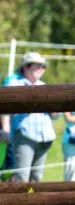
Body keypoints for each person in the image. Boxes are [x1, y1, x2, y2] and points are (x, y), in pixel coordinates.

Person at [4, 52, 58, 182]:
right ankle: (19, 202)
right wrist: (5, 129)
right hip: (24, 135)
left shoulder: (45, 86)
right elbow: (4, 109)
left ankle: (32, 201)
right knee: (21, 176)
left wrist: (54, 106)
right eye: (37, 66)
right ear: (26, 67)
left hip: (45, 138)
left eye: (43, 66)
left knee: (36, 178)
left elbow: (55, 115)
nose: (41, 69)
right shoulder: (14, 84)